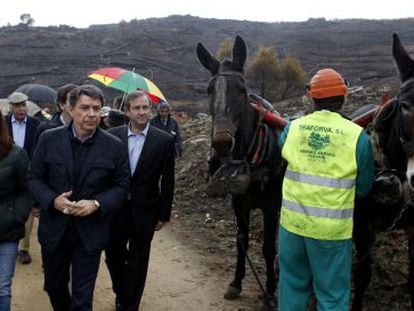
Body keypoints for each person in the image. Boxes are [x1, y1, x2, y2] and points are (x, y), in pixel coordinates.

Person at [277, 68, 374, 310]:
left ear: (312, 97)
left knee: (292, 287)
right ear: (343, 97)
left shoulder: (293, 128)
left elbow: (282, 150)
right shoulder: (357, 137)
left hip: (292, 228)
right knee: (331, 296)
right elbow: (363, 188)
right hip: (331, 234)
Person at [26, 84, 130, 310]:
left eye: (96, 108)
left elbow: (122, 187)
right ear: (71, 109)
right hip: (55, 231)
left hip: (90, 233)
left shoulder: (114, 146)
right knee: (54, 287)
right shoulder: (48, 139)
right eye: (85, 108)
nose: (91, 114)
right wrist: (53, 200)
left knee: (83, 298)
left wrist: (97, 203)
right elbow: (33, 179)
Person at [105, 91, 175, 311]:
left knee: (138, 261)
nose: (142, 112)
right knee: (113, 257)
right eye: (137, 108)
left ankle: (129, 305)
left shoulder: (164, 140)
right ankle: (123, 293)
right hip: (116, 210)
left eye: (146, 108)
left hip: (145, 211)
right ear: (127, 111)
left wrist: (164, 214)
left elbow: (169, 180)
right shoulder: (112, 136)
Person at [0, 110, 33, 311]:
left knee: (2, 288)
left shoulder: (16, 154)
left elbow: (27, 190)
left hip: (6, 230)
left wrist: (15, 216)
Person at [5, 92, 40, 265]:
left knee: (26, 210)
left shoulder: (36, 124)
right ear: (10, 107)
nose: (21, 108)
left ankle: (24, 249)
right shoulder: (3, 123)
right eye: (17, 105)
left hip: (28, 173)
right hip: (6, 173)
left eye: (24, 105)